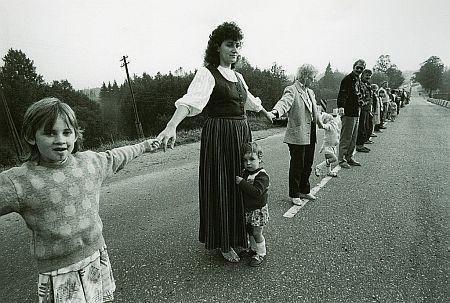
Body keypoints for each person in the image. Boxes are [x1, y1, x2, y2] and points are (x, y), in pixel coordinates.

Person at [0, 97, 160, 302]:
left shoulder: (89, 163)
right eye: (50, 133)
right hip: (59, 272)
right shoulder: (20, 180)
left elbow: (117, 155)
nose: (60, 140)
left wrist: (145, 145)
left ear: (75, 134)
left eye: (67, 132)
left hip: (95, 257)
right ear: (31, 137)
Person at [156, 22, 272, 263]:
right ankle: (223, 241)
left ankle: (239, 235)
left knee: (241, 184)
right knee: (222, 185)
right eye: (230, 45)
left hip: (241, 133)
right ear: (217, 47)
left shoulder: (238, 76)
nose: (235, 50)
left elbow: (250, 101)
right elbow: (191, 102)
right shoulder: (207, 73)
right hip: (219, 135)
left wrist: (267, 113)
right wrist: (171, 125)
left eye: (238, 45)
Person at [268, 64, 321, 205]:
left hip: (311, 132)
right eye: (312, 77)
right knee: (297, 165)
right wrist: (275, 112)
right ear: (304, 76)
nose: (313, 80)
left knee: (308, 163)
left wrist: (323, 122)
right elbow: (284, 103)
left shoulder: (310, 92)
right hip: (297, 133)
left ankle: (305, 189)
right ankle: (294, 193)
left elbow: (315, 111)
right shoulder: (292, 90)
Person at [235, 142, 269, 267]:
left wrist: (242, 183)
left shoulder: (262, 176)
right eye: (245, 160)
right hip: (248, 209)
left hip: (257, 210)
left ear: (260, 158)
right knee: (250, 231)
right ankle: (253, 249)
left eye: (252, 159)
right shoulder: (246, 172)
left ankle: (261, 253)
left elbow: (256, 192)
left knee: (257, 233)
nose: (248, 163)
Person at [337, 59, 366, 168]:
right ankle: (341, 159)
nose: (359, 69)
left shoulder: (358, 80)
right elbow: (342, 94)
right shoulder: (347, 79)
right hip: (348, 112)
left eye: (361, 68)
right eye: (357, 67)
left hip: (356, 111)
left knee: (353, 137)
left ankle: (349, 157)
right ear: (353, 67)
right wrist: (341, 106)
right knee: (346, 137)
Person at [314, 111, 341, 177]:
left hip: (332, 146)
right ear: (327, 120)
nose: (332, 118)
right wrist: (320, 123)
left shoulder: (335, 124)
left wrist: (339, 114)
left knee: (328, 161)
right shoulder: (329, 126)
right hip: (328, 147)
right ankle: (319, 166)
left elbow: (337, 119)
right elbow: (324, 126)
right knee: (334, 159)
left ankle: (329, 172)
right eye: (329, 118)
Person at [355, 69, 373, 153]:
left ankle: (362, 143)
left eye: (369, 75)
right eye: (367, 75)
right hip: (362, 108)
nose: (368, 77)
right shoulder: (360, 84)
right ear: (362, 75)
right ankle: (359, 145)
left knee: (366, 126)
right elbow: (359, 96)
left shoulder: (367, 84)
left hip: (367, 109)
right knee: (362, 127)